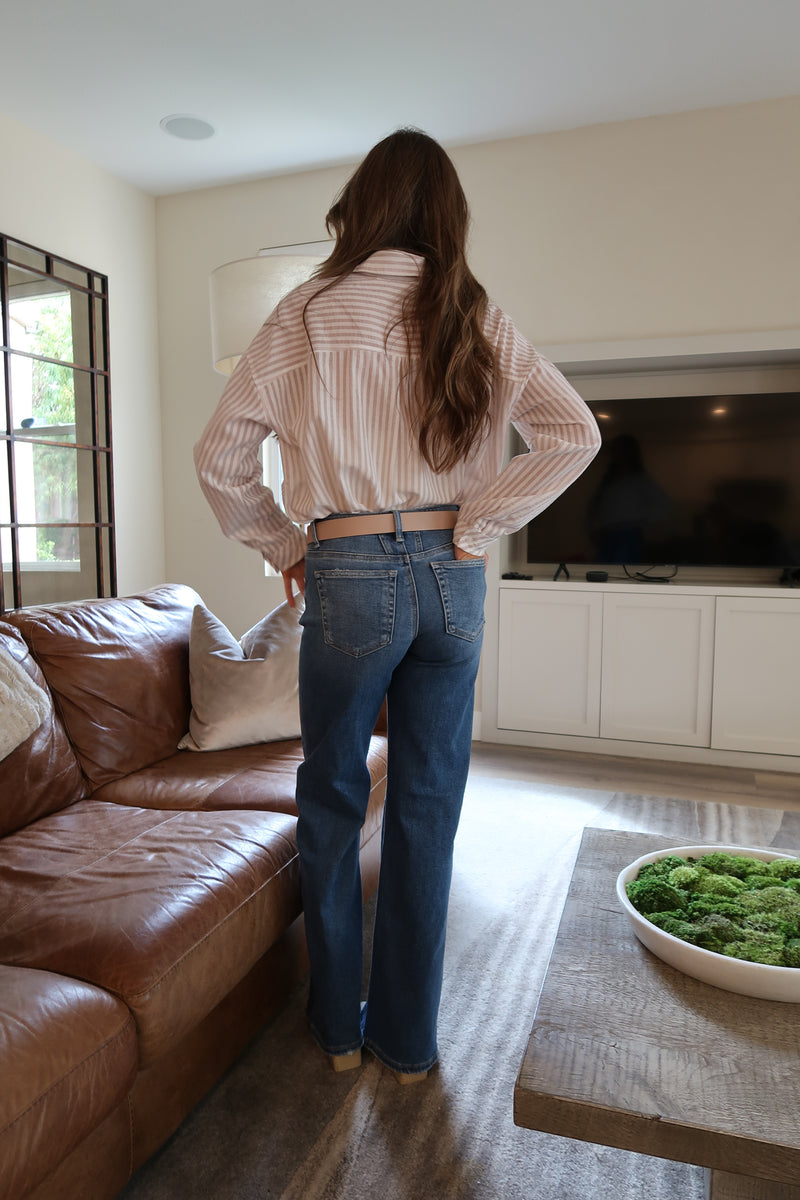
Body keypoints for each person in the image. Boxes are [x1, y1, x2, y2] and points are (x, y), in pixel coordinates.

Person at [194, 128, 601, 1084]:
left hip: (350, 573)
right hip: (454, 579)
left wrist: (288, 546)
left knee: (333, 797)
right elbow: (570, 434)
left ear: (360, 205)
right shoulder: (471, 308)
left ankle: (337, 1029)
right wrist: (477, 523)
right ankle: (409, 1043)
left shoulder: (306, 311)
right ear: (445, 215)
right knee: (429, 801)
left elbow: (220, 458)